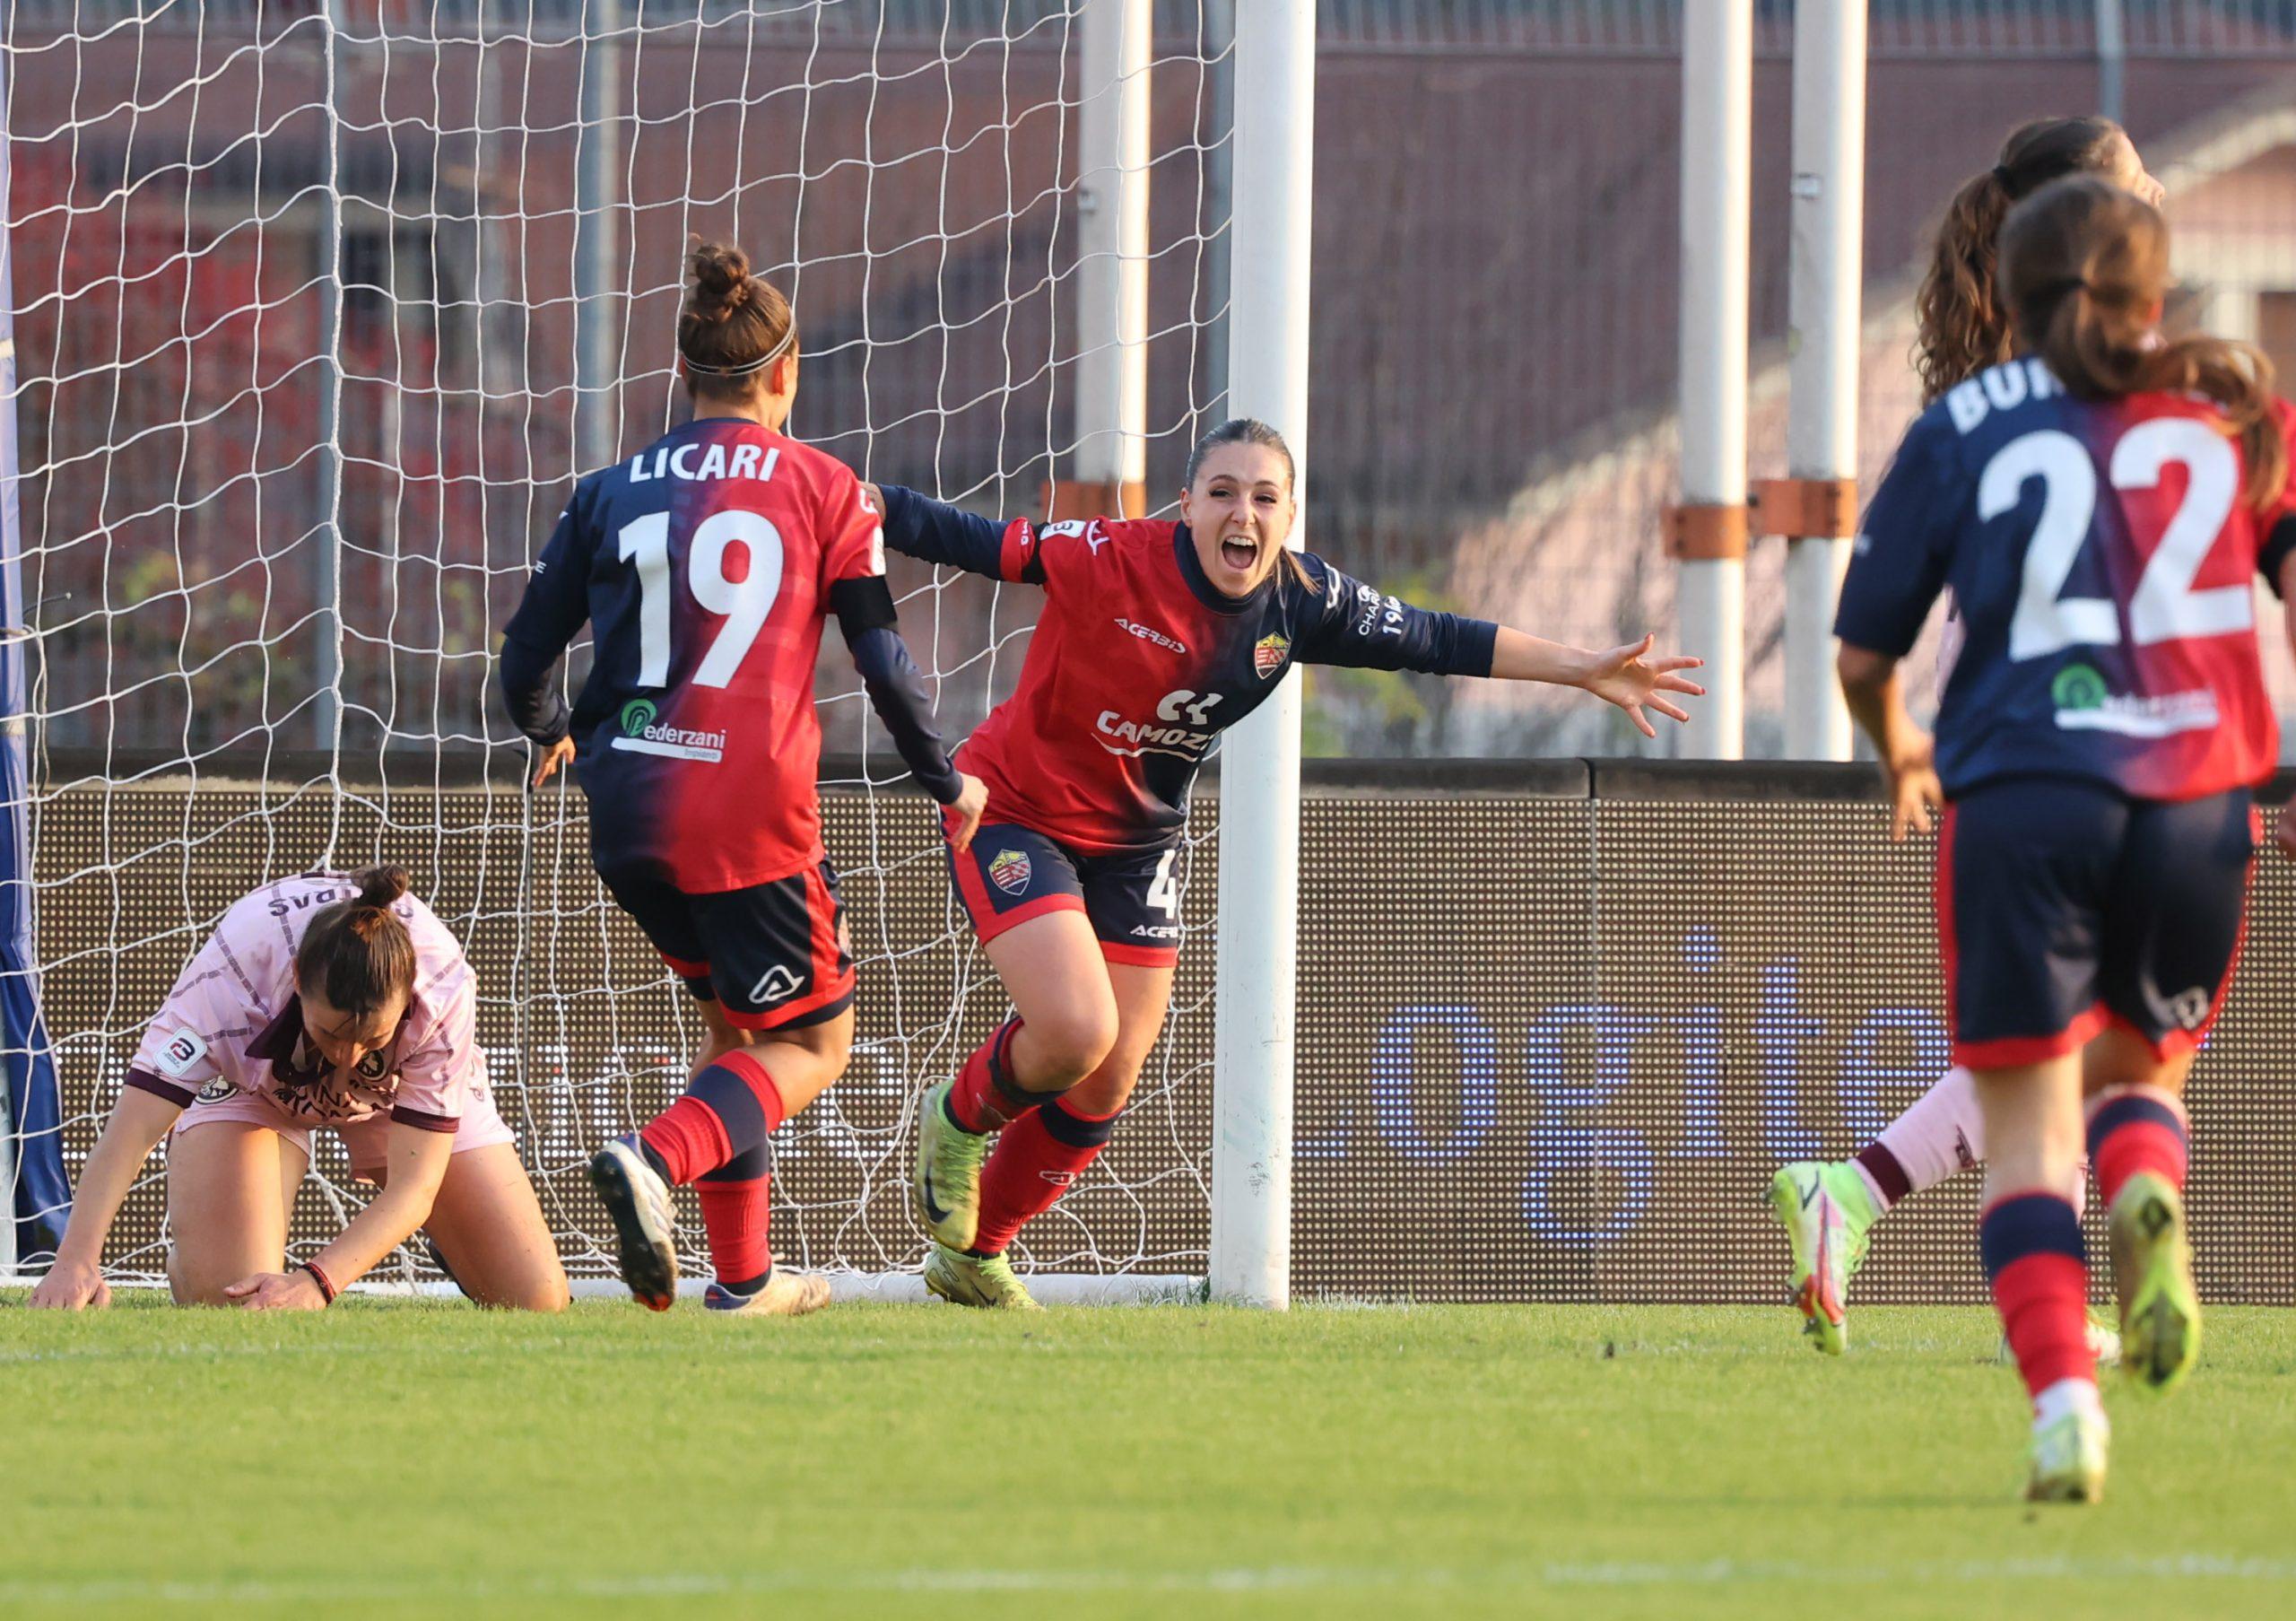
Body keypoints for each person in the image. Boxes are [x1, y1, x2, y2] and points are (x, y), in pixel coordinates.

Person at [865, 417, 1703, 1309]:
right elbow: (969, 539)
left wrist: (1582, 669)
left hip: (1136, 841)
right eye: (1222, 491)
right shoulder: (1110, 556)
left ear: (1288, 514)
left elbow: (1437, 637)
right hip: (1017, 809)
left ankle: (973, 1255)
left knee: (1110, 1072)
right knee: (1075, 1032)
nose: (1243, 513)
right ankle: (957, 1121)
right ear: (1185, 506)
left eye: (1265, 497)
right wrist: (865, 502)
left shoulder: (1300, 600)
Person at [1832, 174, 2294, 1499]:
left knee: (2032, 1141)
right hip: (2203, 806)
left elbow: (1868, 651)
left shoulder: (1962, 424)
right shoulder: (2240, 409)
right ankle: (2152, 1187)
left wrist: (1898, 746)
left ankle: (2065, 1414)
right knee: (2140, 1085)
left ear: (2002, 298)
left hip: (2024, 801)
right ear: (2158, 293)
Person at [498, 240, 984, 1317]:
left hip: (627, 810)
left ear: (683, 377)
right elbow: (884, 662)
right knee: (814, 1038)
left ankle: (743, 1281)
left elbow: (524, 659)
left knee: (735, 1031)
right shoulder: (827, 488)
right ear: (786, 373)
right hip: (747, 811)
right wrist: (943, 778)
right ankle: (656, 1159)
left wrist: (545, 733)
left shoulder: (608, 491)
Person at [1770, 116, 2180, 1355]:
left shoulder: (2018, 380)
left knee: (2057, 1035)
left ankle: (1856, 1194)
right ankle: (2040, 1305)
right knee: (2073, 1041)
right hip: (2064, 707)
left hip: (2022, 706)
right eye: (2138, 186)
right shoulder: (2127, 375)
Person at [30, 867, 568, 1312]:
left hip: (397, 1097)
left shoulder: (443, 993)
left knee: (537, 1300)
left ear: (407, 1000)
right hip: (252, 1091)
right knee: (231, 1297)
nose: (348, 1058)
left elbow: (414, 1188)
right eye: (332, 1033)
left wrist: (317, 1281)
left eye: (371, 1039)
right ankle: (190, 1260)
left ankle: (454, 1240)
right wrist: (76, 1258)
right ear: (295, 979)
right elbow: (132, 1131)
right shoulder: (228, 988)